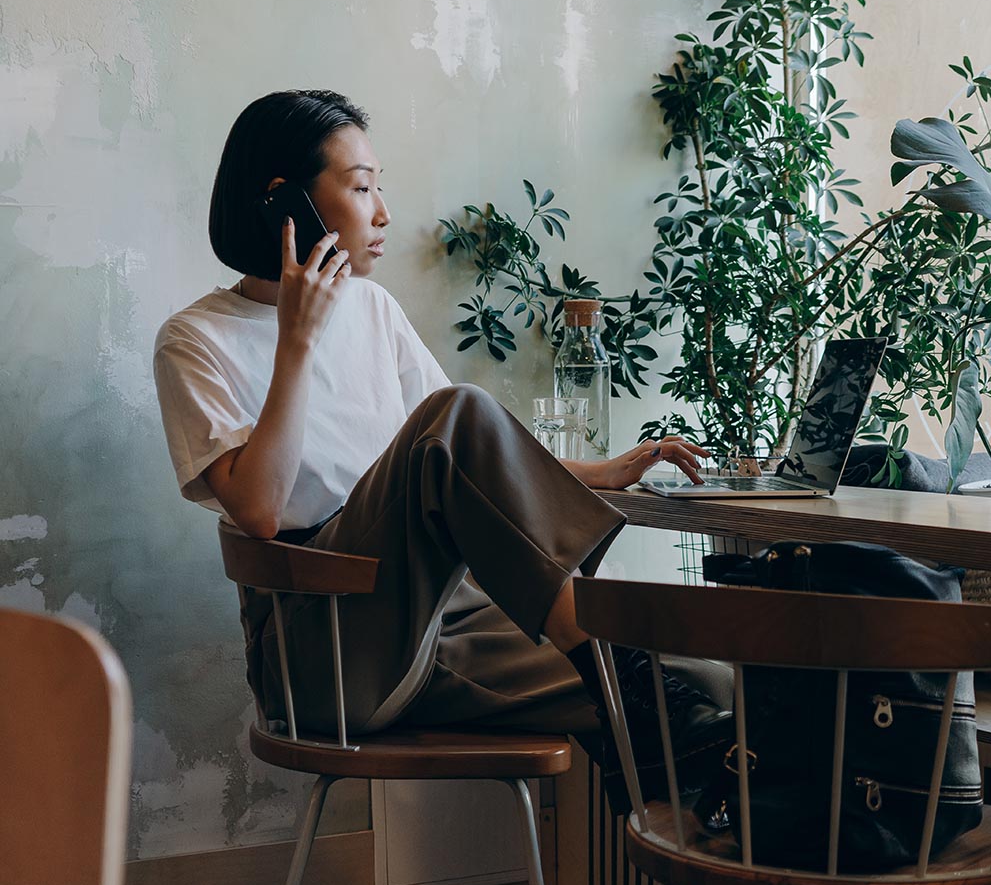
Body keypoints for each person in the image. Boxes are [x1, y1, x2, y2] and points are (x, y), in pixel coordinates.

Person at [153, 89, 733, 804]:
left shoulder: (373, 309)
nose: (383, 213)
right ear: (284, 204)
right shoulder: (194, 340)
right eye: (361, 187)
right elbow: (261, 512)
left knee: (704, 682)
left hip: (443, 627)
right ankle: (609, 663)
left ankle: (671, 759)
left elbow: (472, 462)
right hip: (325, 650)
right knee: (456, 409)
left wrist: (597, 472)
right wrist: (297, 342)